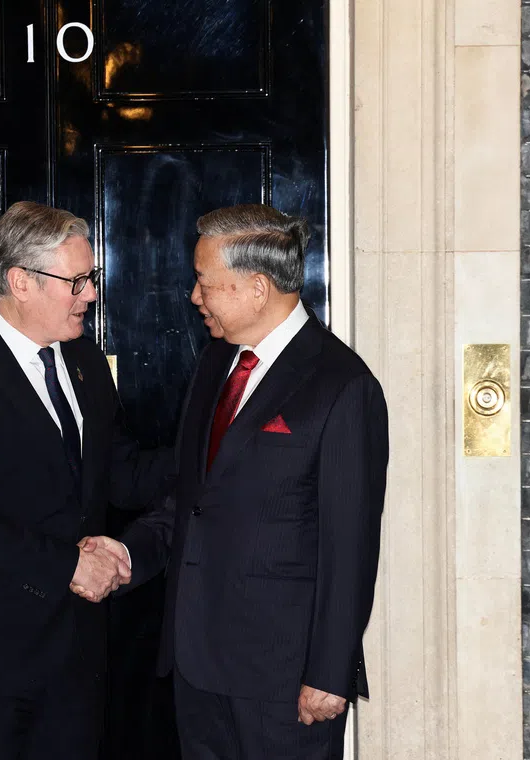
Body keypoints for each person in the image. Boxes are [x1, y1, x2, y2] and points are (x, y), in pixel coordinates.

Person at [78, 204, 389, 759]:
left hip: (285, 679)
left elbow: (351, 544)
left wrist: (330, 670)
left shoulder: (341, 384)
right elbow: (191, 502)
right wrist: (128, 551)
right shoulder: (216, 364)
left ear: (256, 287)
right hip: (198, 665)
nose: (194, 297)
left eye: (204, 282)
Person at [0, 201, 170, 760]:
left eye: (90, 279)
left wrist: (212, 448)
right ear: (20, 282)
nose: (91, 294)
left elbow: (121, 476)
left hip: (73, 655)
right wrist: (70, 564)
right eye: (76, 281)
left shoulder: (86, 364)